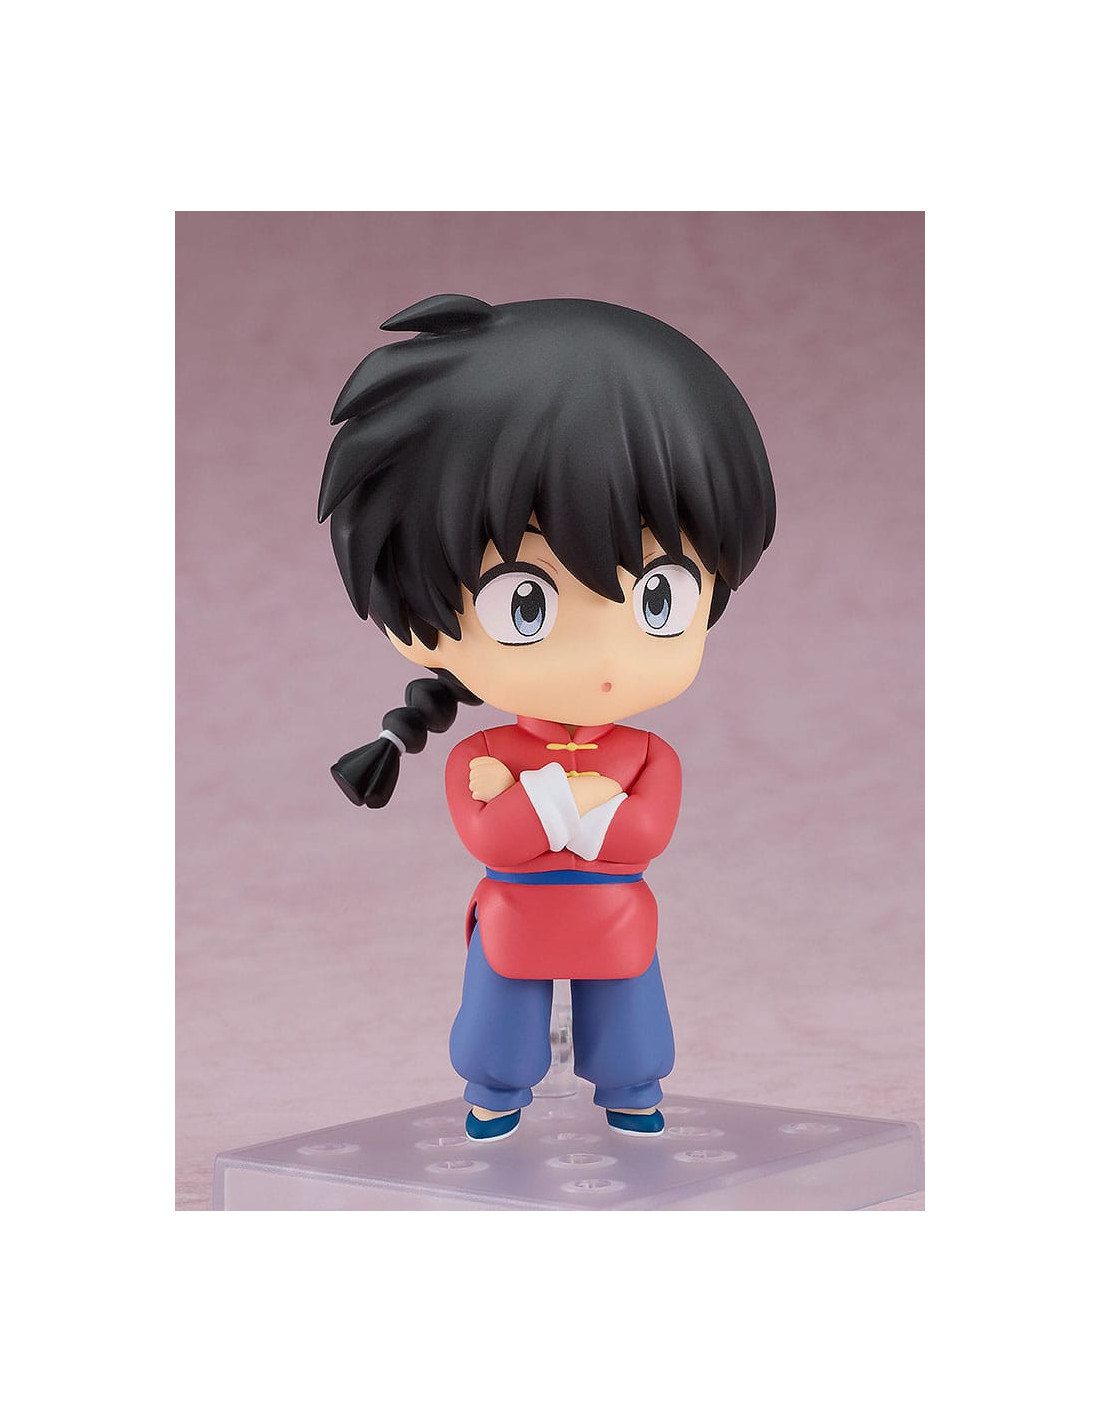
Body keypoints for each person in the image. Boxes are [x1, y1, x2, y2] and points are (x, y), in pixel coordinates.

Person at [318, 293, 776, 1141]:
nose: (604, 659)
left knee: (632, 1026)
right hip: (517, 920)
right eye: (525, 603)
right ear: (413, 618)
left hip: (616, 920)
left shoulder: (639, 756)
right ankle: (495, 1094)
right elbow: (496, 842)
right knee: (499, 1026)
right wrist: (575, 806)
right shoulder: (477, 756)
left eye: (660, 596)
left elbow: (643, 835)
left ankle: (633, 1091)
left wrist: (541, 802)